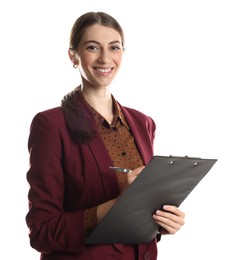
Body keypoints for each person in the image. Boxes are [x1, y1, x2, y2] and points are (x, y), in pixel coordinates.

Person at [26, 11, 185, 260]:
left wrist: (162, 220)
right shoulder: (50, 125)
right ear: (73, 56)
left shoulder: (144, 123)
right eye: (92, 47)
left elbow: (140, 217)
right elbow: (41, 231)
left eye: (114, 47)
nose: (105, 58)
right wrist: (115, 207)